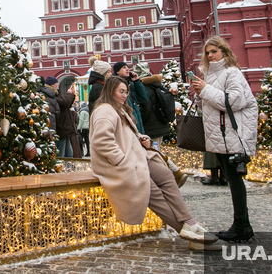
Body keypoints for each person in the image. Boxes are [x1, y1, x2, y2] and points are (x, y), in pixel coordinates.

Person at [90, 76, 212, 244]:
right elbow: (102, 142)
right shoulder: (105, 111)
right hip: (119, 165)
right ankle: (184, 230)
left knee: (166, 175)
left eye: (126, 92)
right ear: (110, 91)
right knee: (150, 189)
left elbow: (127, 135)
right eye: (121, 92)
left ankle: (189, 222)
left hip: (137, 157)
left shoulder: (118, 108)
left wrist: (142, 139)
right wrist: (122, 161)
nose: (125, 95)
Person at [190, 36, 258, 243]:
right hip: (218, 137)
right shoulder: (209, 75)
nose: (210, 55)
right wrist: (199, 95)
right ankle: (241, 225)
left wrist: (206, 91)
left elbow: (235, 101)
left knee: (235, 182)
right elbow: (211, 106)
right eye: (208, 52)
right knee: (232, 181)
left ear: (224, 53)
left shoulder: (232, 73)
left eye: (214, 51)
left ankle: (242, 226)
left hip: (231, 137)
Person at [134, 62, 189, 187]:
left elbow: (146, 109)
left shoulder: (145, 89)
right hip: (161, 125)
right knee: (155, 152)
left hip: (151, 127)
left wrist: (139, 121)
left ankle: (174, 174)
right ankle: (172, 174)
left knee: (154, 153)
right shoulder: (158, 86)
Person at [113, 61, 148, 134]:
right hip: (126, 126)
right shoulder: (114, 85)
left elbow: (144, 98)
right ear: (117, 72)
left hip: (137, 123)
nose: (127, 69)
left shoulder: (131, 84)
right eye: (124, 68)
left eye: (127, 67)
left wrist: (137, 81)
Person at [56, 76, 81, 158]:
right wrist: (70, 95)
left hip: (65, 129)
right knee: (63, 152)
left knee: (68, 152)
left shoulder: (55, 96)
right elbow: (65, 104)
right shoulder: (55, 97)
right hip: (62, 128)